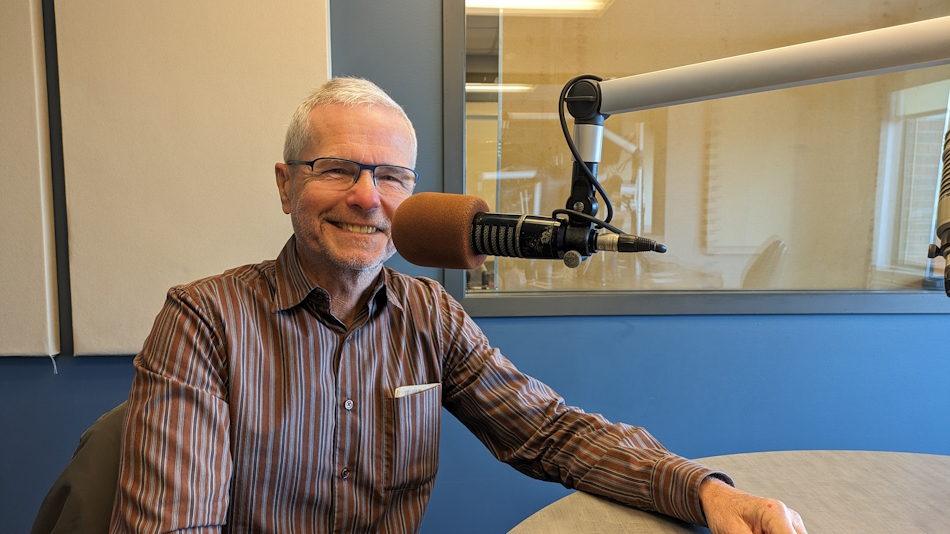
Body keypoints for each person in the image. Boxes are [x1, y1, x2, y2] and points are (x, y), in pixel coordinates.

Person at [109, 77, 807, 534]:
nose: (367, 196)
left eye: (390, 176)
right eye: (338, 169)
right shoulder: (204, 320)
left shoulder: (429, 315)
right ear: (285, 184)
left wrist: (704, 491)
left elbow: (550, 432)